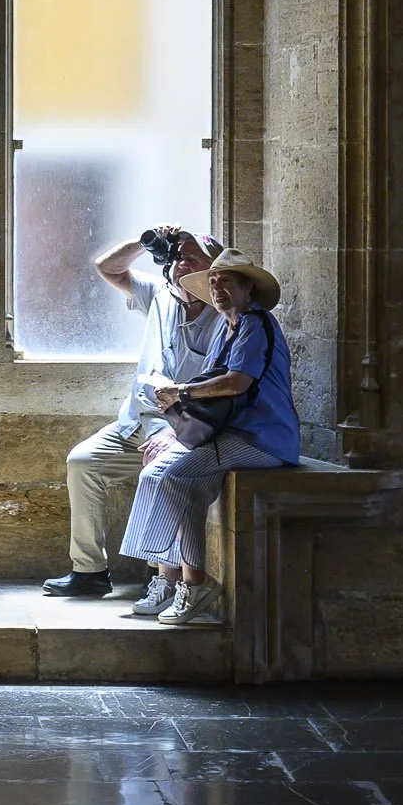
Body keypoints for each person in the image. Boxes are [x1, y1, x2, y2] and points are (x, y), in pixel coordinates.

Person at [120, 247, 301, 628]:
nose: (217, 289)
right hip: (232, 432)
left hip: (263, 438)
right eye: (213, 282)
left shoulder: (256, 323)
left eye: (226, 282)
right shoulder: (228, 328)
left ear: (247, 289)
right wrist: (173, 431)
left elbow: (236, 383)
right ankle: (166, 579)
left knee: (178, 477)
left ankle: (195, 584)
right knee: (156, 472)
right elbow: (208, 388)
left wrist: (180, 392)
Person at [41, 224, 224, 599]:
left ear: (212, 270)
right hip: (137, 424)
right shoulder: (159, 294)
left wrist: (173, 431)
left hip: (187, 431)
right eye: (177, 257)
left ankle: (161, 572)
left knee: (163, 475)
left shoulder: (224, 317)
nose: (181, 264)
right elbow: (107, 267)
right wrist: (149, 239)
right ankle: (89, 571)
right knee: (83, 462)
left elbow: (222, 388)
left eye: (193, 258)